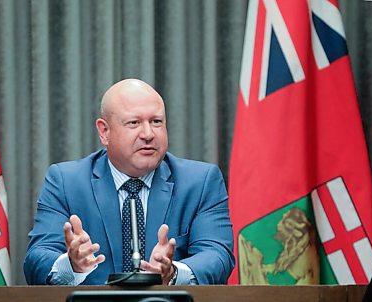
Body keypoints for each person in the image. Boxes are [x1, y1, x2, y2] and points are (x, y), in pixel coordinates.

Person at [24, 79, 234, 285]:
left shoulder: (200, 182)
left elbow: (217, 256)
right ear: (104, 131)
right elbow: (36, 260)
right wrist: (71, 264)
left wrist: (174, 273)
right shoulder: (66, 182)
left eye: (156, 122)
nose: (148, 134)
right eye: (134, 123)